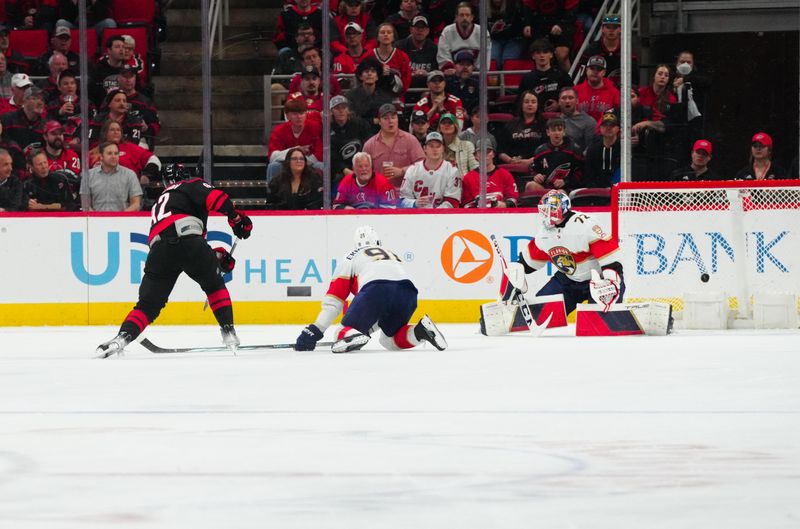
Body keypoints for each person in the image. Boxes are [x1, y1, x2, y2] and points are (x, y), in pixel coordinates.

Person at [96, 164, 253, 358]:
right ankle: (229, 333)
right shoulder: (190, 184)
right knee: (214, 286)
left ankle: (121, 338)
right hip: (189, 241)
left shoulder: (162, 200)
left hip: (159, 251)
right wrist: (237, 219)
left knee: (147, 305)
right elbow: (218, 199)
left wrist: (214, 257)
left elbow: (175, 242)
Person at [294, 225, 447, 353]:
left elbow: (334, 301)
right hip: (408, 293)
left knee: (341, 332)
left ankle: (350, 335)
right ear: (378, 241)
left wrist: (315, 330)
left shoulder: (350, 256)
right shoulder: (390, 254)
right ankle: (420, 331)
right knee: (390, 340)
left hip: (377, 290)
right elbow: (381, 307)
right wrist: (364, 330)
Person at [505, 189, 625, 316]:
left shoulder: (585, 225)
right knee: (538, 314)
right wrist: (517, 270)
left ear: (561, 208)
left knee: (597, 323)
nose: (545, 214)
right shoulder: (544, 234)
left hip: (599, 281)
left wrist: (609, 283)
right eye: (543, 210)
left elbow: (612, 261)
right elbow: (529, 263)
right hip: (568, 281)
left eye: (548, 209)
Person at [362, 103, 425, 187]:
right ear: (379, 122)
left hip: (406, 193)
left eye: (393, 117)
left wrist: (402, 171)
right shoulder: (369, 145)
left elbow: (422, 166)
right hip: (379, 194)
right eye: (386, 118)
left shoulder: (410, 140)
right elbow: (362, 171)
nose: (390, 121)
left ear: (397, 119)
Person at [266, 95, 322, 184]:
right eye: (295, 114)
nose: (299, 117)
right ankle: (274, 196)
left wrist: (302, 161)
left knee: (322, 166)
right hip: (287, 164)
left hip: (310, 162)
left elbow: (320, 153)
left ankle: (321, 196)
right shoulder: (279, 130)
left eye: (302, 113)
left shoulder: (316, 127)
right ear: (288, 116)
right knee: (273, 166)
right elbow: (272, 156)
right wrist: (295, 150)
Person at [399, 131, 462, 208]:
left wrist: (433, 214)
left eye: (438, 146)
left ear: (443, 149)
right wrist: (414, 203)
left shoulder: (452, 170)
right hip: (417, 216)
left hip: (442, 217)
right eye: (431, 146)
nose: (435, 149)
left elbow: (453, 201)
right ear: (424, 148)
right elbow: (402, 200)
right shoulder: (412, 170)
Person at [88, 120, 160, 184]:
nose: (116, 132)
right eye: (112, 130)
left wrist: (147, 175)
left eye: (118, 130)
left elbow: (153, 159)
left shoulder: (130, 148)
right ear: (105, 133)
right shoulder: (93, 153)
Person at [578, 13, 638, 89]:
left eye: (615, 27)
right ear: (602, 29)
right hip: (595, 91)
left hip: (620, 92)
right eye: (608, 27)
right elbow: (582, 77)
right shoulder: (591, 50)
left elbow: (634, 80)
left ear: (620, 29)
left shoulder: (627, 51)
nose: (611, 30)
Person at [80, 141, 142, 211]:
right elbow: (85, 205)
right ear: (101, 156)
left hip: (122, 220)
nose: (113, 156)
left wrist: (121, 217)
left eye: (116, 153)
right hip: (95, 220)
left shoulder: (130, 175)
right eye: (109, 153)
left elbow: (136, 204)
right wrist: (95, 218)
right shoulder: (88, 176)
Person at [527, 117, 584, 192]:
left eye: (559, 130)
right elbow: (534, 169)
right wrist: (536, 176)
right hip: (546, 188)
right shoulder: (540, 150)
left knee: (560, 193)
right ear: (548, 132)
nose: (557, 133)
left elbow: (581, 171)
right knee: (530, 185)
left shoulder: (575, 150)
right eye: (553, 130)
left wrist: (566, 181)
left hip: (566, 188)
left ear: (564, 132)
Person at [516, 38, 572, 113]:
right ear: (533, 56)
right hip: (535, 119)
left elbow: (573, 98)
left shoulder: (562, 76)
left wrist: (559, 105)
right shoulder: (527, 79)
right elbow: (519, 103)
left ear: (551, 55)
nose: (542, 55)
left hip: (559, 120)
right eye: (538, 53)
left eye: (545, 52)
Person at [461, 137, 519, 208]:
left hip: (502, 215)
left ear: (494, 154)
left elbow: (514, 199)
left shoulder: (505, 174)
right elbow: (465, 204)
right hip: (478, 216)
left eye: (488, 151)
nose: (485, 155)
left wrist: (504, 205)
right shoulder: (468, 178)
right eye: (481, 152)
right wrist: (477, 206)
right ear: (475, 156)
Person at [521, 0, 577, 72]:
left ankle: (569, 79)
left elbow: (571, 13)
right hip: (541, 22)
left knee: (561, 54)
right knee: (539, 53)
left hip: (564, 21)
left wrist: (561, 25)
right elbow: (528, 7)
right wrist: (527, 24)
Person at [329, 95, 372, 188]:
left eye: (344, 107)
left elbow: (369, 145)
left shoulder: (360, 124)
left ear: (348, 109)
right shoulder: (328, 130)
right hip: (341, 171)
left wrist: (363, 166)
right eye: (337, 108)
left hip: (363, 165)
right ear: (332, 111)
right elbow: (332, 156)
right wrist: (344, 170)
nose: (341, 111)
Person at [436, 2, 491, 74]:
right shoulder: (447, 32)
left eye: (467, 15)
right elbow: (443, 56)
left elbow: (484, 58)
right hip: (453, 74)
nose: (464, 18)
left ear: (472, 17)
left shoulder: (482, 32)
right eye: (461, 15)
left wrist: (473, 70)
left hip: (475, 74)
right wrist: (451, 69)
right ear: (456, 17)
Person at [395, 15, 438, 105]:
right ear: (411, 29)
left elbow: (436, 71)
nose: (420, 30)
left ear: (428, 31)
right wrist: (412, 73)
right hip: (405, 88)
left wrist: (427, 73)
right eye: (417, 27)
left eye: (423, 27)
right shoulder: (400, 46)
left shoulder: (434, 48)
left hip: (425, 88)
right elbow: (397, 70)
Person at [333, 151, 397, 209]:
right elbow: (336, 206)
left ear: (371, 168)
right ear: (354, 169)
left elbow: (391, 209)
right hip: (354, 218)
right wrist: (348, 209)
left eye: (366, 166)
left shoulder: (383, 182)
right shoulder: (346, 181)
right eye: (360, 166)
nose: (364, 169)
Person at [497, 90, 545, 165]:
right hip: (513, 165)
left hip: (537, 164)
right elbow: (500, 150)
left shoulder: (544, 124)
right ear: (521, 104)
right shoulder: (511, 124)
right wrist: (510, 160)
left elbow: (548, 149)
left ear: (538, 105)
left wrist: (531, 161)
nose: (530, 104)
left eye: (533, 102)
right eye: (526, 102)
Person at [345, 57, 395, 128]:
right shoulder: (350, 96)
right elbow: (351, 120)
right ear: (360, 76)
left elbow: (387, 119)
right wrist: (372, 121)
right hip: (357, 132)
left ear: (377, 77)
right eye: (366, 71)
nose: (369, 74)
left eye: (373, 71)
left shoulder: (385, 97)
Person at [371, 22, 412, 98]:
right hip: (373, 96)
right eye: (382, 32)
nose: (386, 35)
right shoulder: (369, 55)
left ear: (393, 37)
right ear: (377, 37)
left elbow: (406, 80)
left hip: (396, 96)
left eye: (389, 32)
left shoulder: (402, 56)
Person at [574, 55, 620, 123]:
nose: (595, 71)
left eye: (599, 69)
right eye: (592, 68)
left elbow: (619, 115)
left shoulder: (614, 92)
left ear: (604, 72)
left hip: (605, 131)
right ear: (586, 70)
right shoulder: (575, 90)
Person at [1, 86, 46, 152]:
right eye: (35, 98)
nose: (40, 103)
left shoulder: (45, 126)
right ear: (24, 100)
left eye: (42, 100)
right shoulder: (7, 119)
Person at [583, 111, 620, 187]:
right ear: (600, 128)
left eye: (612, 125)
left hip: (619, 190)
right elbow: (589, 175)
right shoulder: (592, 150)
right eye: (605, 125)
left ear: (617, 128)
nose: (608, 128)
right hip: (596, 190)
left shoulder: (623, 150)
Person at [487, 0, 525, 69]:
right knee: (493, 61)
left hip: (514, 39)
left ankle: (506, 79)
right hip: (494, 39)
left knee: (508, 62)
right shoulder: (484, 8)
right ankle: (495, 79)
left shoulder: (514, 5)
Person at [558, 86, 596, 154]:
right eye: (564, 98)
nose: (567, 101)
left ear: (577, 101)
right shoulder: (555, 121)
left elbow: (590, 148)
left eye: (570, 98)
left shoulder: (589, 122)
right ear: (559, 102)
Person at [438, 112, 477, 177]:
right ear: (439, 127)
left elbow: (475, 168)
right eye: (444, 123)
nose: (446, 125)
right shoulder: (434, 147)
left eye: (450, 123)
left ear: (455, 126)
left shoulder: (467, 145)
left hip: (462, 183)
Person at [445, 50, 479, 114]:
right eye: (461, 64)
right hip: (450, 120)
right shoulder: (447, 83)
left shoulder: (477, 84)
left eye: (468, 65)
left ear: (473, 67)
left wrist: (468, 116)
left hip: (471, 120)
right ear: (455, 66)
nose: (465, 67)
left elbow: (481, 107)